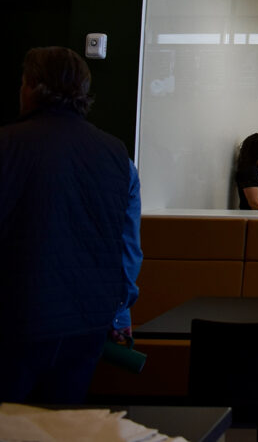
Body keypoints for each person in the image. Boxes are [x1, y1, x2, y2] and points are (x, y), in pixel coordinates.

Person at [0, 47, 142, 403]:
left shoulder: (7, 146)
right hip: (87, 328)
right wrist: (120, 316)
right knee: (62, 424)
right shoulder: (119, 157)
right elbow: (127, 250)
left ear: (31, 87)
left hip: (17, 323)